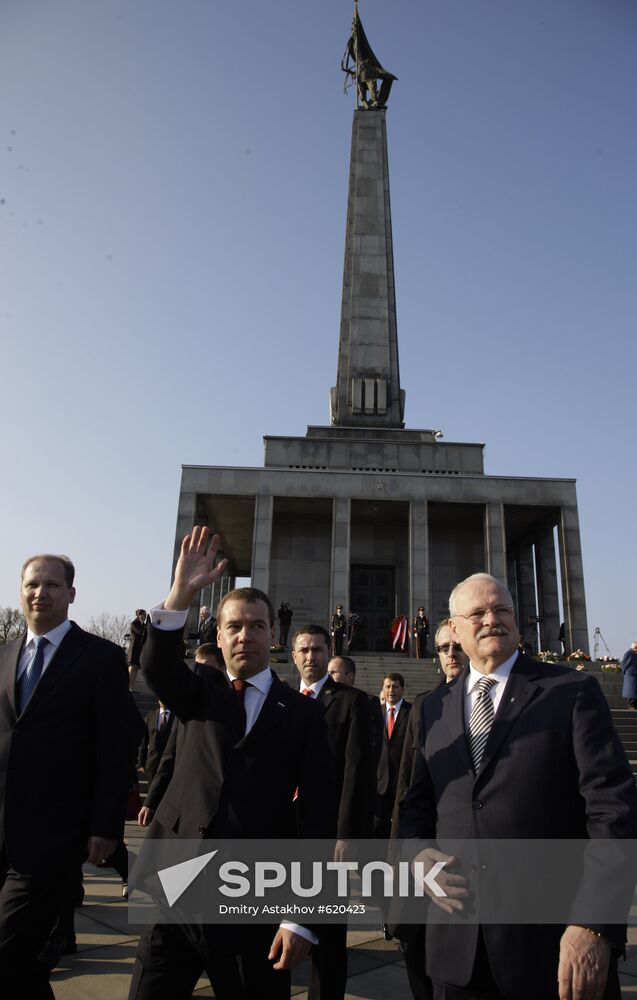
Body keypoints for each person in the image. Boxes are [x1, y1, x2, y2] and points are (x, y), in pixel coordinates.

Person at [399, 573, 637, 1000]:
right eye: (477, 613)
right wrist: (417, 855)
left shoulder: (571, 691)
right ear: (454, 628)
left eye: (501, 609)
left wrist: (594, 924)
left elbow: (614, 813)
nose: (492, 619)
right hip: (457, 952)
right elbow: (414, 807)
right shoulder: (432, 707)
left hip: (554, 948)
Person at [129, 526, 336, 1000]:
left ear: (272, 635)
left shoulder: (302, 714)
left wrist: (301, 914)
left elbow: (318, 816)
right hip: (176, 887)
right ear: (217, 635)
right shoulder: (200, 691)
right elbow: (157, 665)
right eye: (235, 627)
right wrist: (181, 591)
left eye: (257, 626)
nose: (246, 636)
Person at [0, 553, 131, 999]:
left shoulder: (100, 657)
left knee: (8, 949)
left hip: (52, 834)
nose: (40, 593)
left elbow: (115, 747)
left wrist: (105, 825)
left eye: (52, 585)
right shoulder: (4, 656)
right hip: (1, 826)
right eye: (32, 584)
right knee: (23, 967)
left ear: (71, 594)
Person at [291, 625, 375, 1000]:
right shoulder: (279, 700)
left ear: (330, 653)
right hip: (280, 832)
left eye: (318, 649)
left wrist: (345, 835)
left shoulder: (353, 702)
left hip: (326, 836)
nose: (311, 656)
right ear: (293, 655)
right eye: (304, 650)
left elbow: (357, 772)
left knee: (326, 934)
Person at [388, 623, 470, 1000]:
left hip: (466, 849)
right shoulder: (424, 703)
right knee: (416, 948)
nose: (451, 654)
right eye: (443, 648)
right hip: (423, 844)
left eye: (457, 646)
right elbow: (408, 783)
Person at [374, 673, 410, 839]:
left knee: (400, 828)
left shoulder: (411, 712)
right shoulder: (375, 712)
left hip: (402, 782)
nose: (391, 690)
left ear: (402, 689)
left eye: (395, 686)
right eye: (387, 686)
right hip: (379, 783)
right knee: (378, 827)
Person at [137, 700, 175, 785]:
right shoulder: (150, 716)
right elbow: (144, 741)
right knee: (151, 792)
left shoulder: (176, 718)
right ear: (158, 700)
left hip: (169, 764)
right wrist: (141, 763)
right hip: (152, 763)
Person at [127, 608, 147, 690]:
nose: (145, 617)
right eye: (144, 615)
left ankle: (131, 687)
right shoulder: (134, 623)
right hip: (134, 649)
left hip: (140, 649)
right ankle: (127, 685)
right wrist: (143, 624)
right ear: (139, 615)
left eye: (146, 616)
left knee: (136, 668)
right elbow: (139, 632)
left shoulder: (144, 625)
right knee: (132, 666)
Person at [620, 642, 637, 710]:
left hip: (634, 676)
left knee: (634, 692)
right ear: (635, 647)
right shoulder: (629, 653)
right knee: (631, 693)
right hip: (631, 676)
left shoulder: (633, 653)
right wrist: (626, 673)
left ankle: (634, 706)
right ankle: (631, 706)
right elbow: (623, 664)